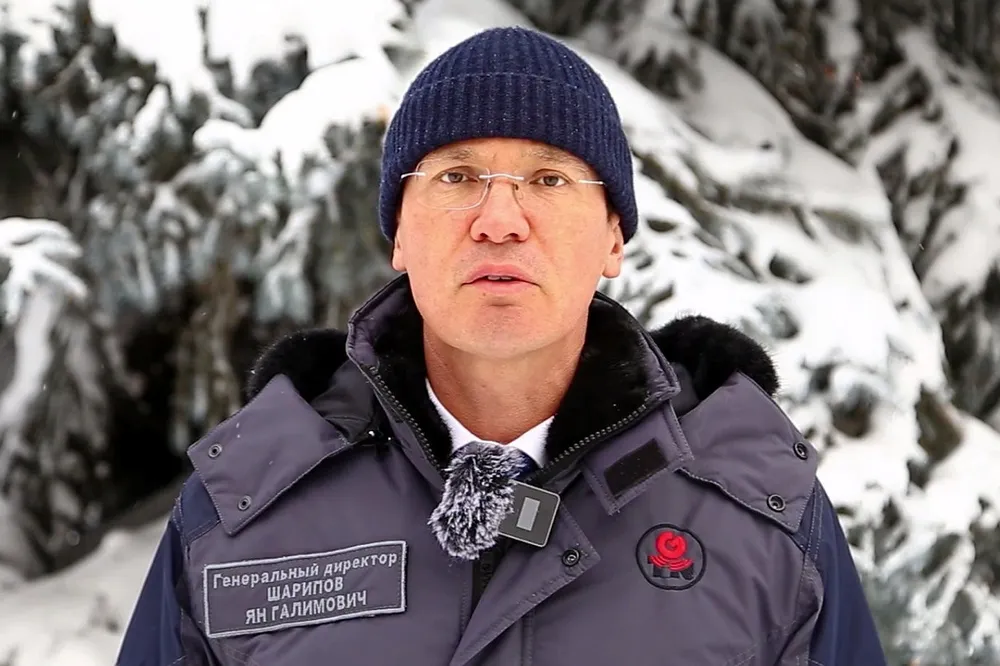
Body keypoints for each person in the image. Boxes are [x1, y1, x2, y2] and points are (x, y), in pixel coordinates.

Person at [116, 26, 887, 666]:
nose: (499, 221)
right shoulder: (242, 514)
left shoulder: (760, 517)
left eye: (549, 181)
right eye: (457, 177)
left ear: (613, 238)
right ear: (399, 233)